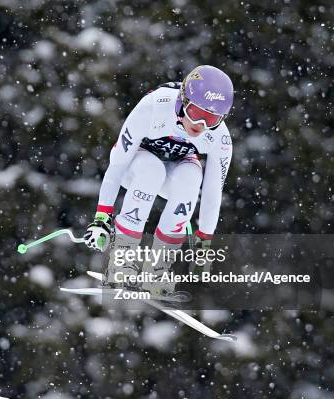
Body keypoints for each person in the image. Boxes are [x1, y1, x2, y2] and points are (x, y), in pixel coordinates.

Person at [83, 65, 234, 297]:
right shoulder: (154, 106)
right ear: (183, 100)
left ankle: (159, 270)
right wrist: (101, 218)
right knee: (152, 171)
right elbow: (118, 164)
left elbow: (213, 190)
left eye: (211, 118)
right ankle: (122, 259)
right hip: (136, 167)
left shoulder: (220, 137)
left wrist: (204, 241)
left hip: (174, 172)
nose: (200, 125)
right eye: (196, 113)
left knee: (192, 177)